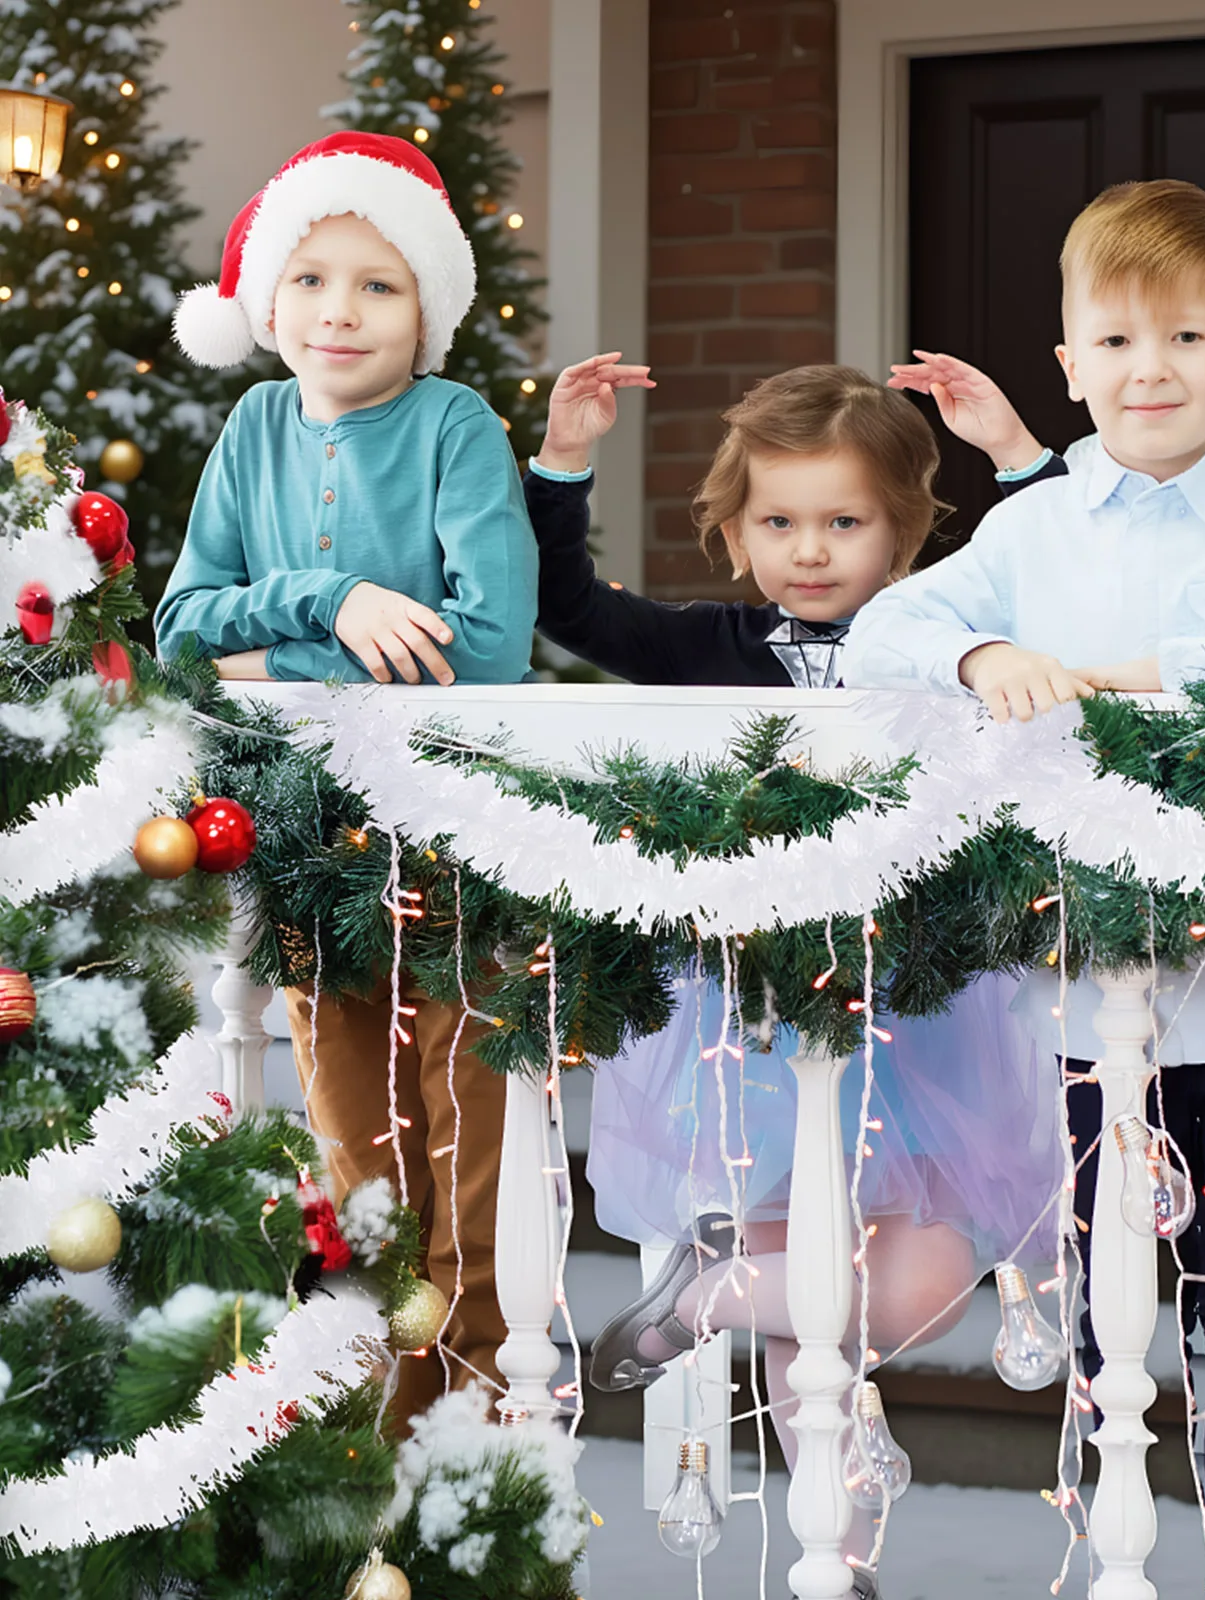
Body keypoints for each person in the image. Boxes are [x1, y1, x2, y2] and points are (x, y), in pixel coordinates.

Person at [845, 179, 1205, 1554]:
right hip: (1077, 991)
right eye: (1115, 343)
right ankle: (1116, 1542)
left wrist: (1152, 679)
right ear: (1069, 365)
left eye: (1187, 340)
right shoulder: (1032, 529)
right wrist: (983, 656)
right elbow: (879, 639)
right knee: (1099, 1282)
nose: (1149, 370)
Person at [525, 357, 1056, 1595]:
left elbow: (1062, 577)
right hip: (754, 1018)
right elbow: (568, 609)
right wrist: (563, 462)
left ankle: (703, 1299)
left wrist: (1019, 452)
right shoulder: (703, 647)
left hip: (920, 1016)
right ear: (731, 527)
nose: (808, 550)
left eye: (843, 520)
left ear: (904, 529)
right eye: (777, 520)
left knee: (915, 1281)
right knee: (814, 1317)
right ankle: (842, 1557)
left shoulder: (944, 643)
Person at [156, 132, 540, 1428]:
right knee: (350, 1138)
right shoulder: (254, 424)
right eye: (313, 277)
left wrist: (280, 651)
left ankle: (473, 1412)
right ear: (269, 302)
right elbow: (180, 629)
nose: (340, 310)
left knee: (461, 1127)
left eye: (378, 283)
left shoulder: (456, 426)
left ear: (426, 306)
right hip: (304, 832)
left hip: (449, 821)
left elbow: (484, 649)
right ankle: (377, 1414)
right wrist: (339, 598)